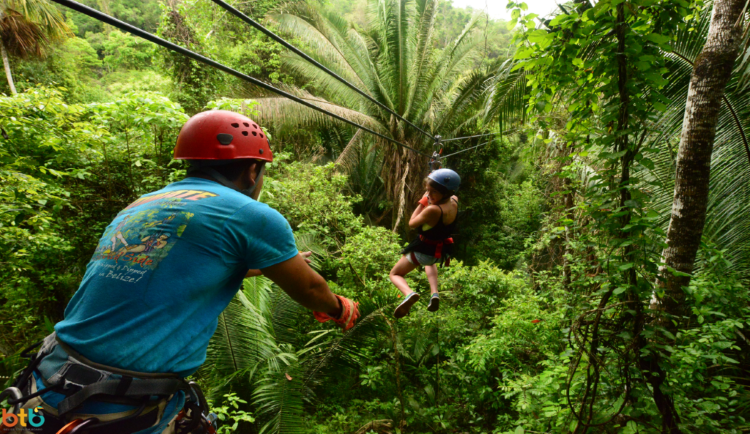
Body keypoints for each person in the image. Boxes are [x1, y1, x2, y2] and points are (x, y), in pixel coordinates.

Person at [3, 110, 359, 434]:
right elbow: (311, 290)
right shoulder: (251, 214)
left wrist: (266, 269)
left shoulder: (141, 204)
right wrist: (338, 307)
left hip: (45, 382)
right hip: (118, 405)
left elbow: (175, 265)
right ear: (253, 170)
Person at [390, 169, 460, 319]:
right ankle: (434, 293)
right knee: (430, 263)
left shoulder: (433, 210)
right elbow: (447, 183)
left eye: (433, 192)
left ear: (445, 193)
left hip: (424, 250)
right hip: (440, 252)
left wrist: (422, 203)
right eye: (428, 190)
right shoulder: (454, 200)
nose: (429, 195)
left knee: (395, 274)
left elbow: (411, 223)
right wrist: (436, 174)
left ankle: (409, 294)